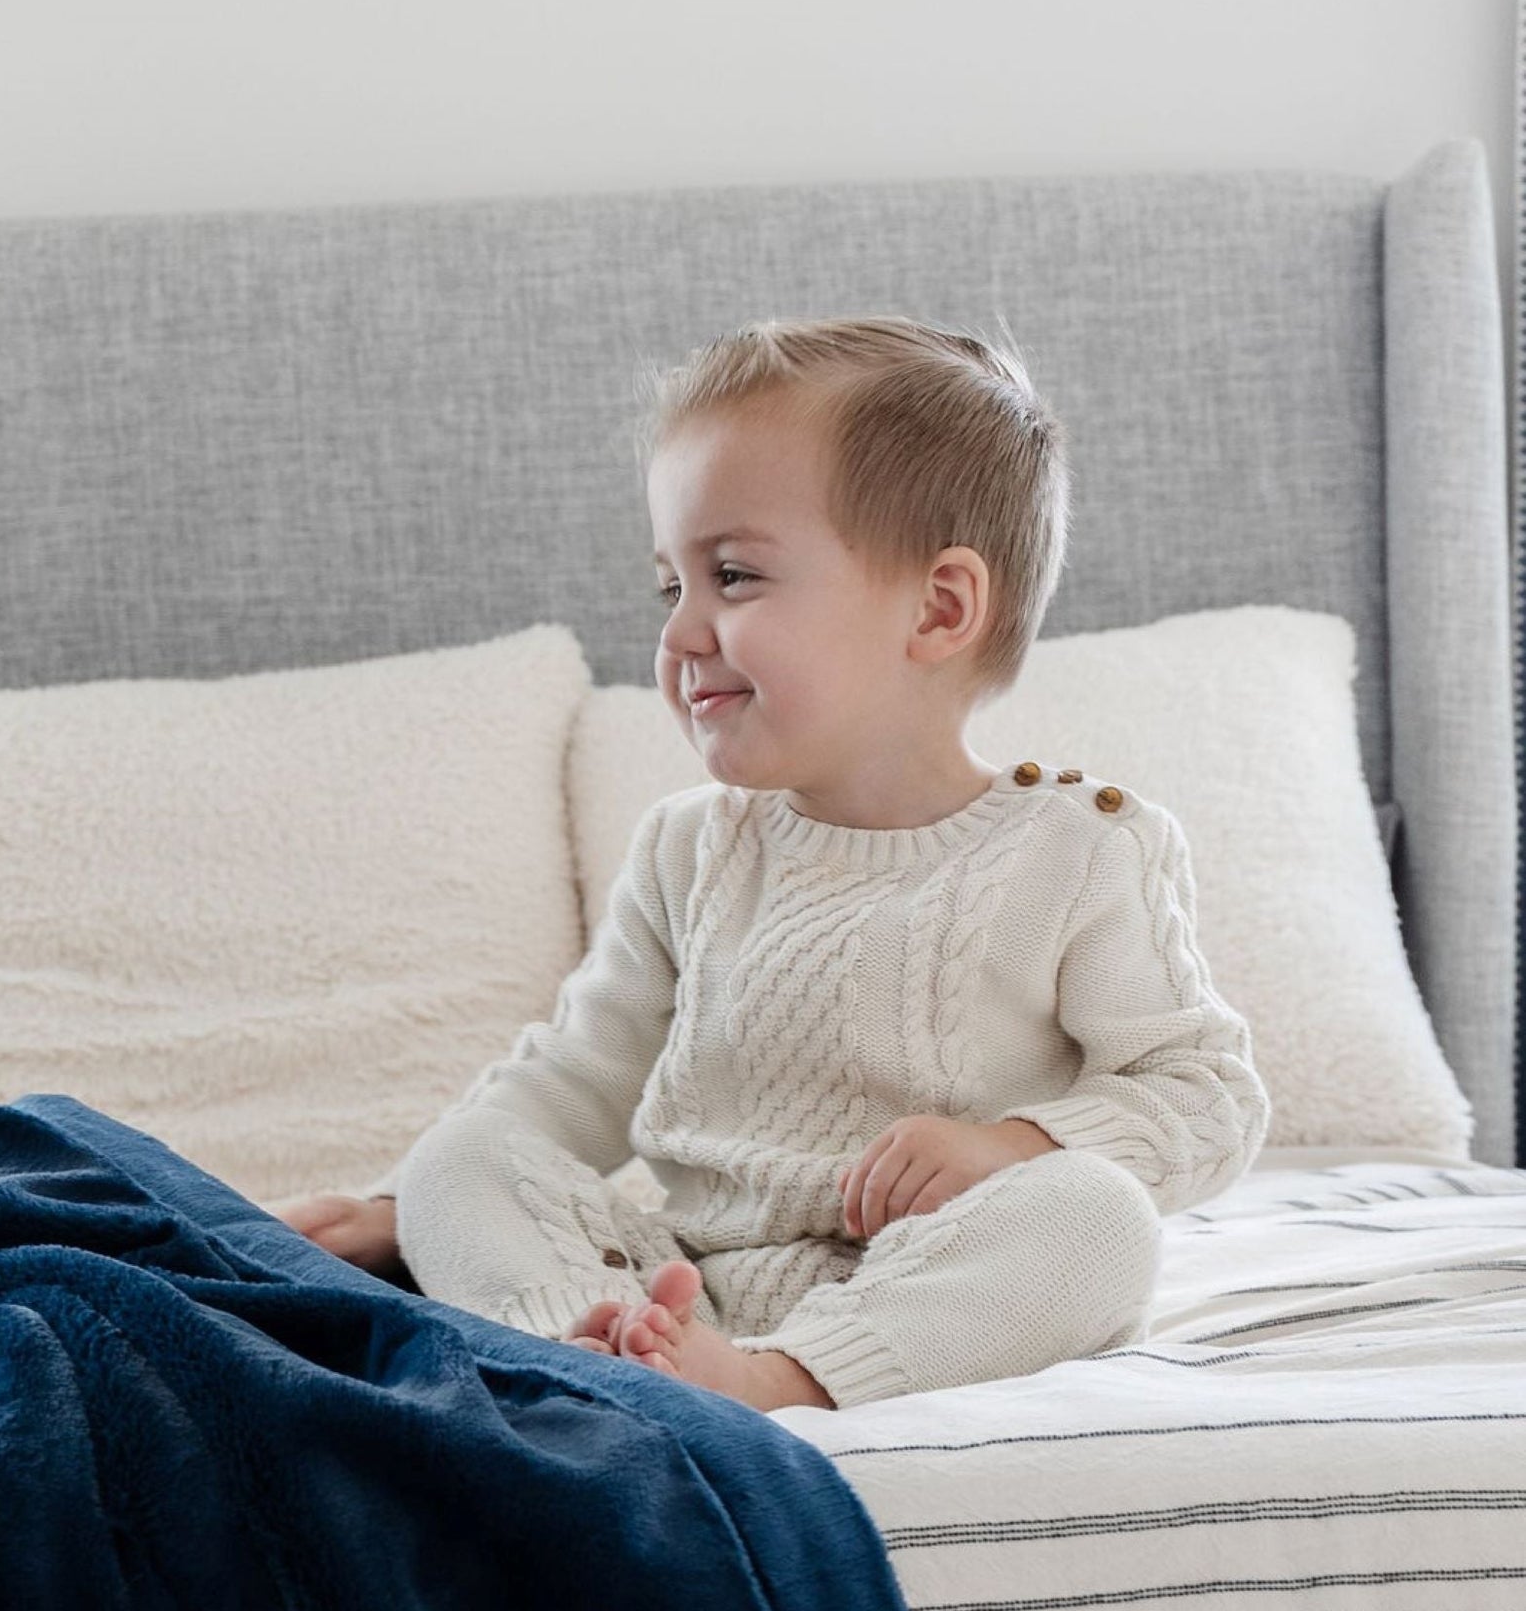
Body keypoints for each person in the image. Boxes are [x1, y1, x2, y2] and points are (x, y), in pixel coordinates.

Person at [273, 316, 1270, 1414]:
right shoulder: (690, 848)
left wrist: (1014, 1142)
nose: (681, 632)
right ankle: (584, 1343)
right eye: (670, 587)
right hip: (679, 1271)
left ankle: (775, 1381)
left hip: (920, 1280)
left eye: (733, 576)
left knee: (1093, 1216)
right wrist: (405, 1200)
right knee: (468, 1154)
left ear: (938, 607)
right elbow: (568, 1082)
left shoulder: (1078, 849)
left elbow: (1202, 1093)